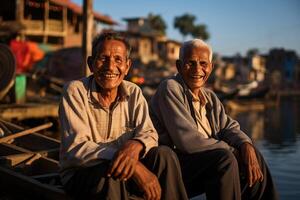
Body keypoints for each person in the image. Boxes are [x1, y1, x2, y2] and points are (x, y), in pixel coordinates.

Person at [59, 32, 188, 200]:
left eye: (118, 60)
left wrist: (136, 144)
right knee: (111, 173)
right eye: (103, 59)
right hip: (83, 174)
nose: (110, 67)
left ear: (127, 67)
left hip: (123, 171)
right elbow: (77, 148)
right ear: (91, 64)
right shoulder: (75, 91)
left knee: (165, 155)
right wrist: (129, 161)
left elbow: (149, 133)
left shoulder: (133, 92)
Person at [149, 39, 279, 200]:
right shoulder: (170, 87)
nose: (198, 69)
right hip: (174, 166)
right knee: (225, 159)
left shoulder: (209, 96)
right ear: (179, 66)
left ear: (210, 68)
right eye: (191, 63)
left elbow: (228, 127)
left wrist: (245, 145)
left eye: (203, 64)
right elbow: (187, 141)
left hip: (200, 163)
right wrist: (234, 151)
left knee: (253, 155)